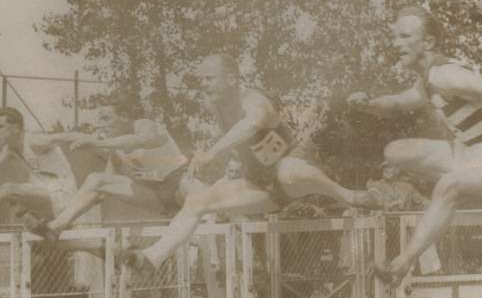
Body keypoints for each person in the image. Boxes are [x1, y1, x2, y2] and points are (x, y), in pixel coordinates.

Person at [118, 54, 379, 272]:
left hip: (295, 167)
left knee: (288, 170)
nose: (204, 85)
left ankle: (347, 195)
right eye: (200, 80)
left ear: (231, 79)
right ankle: (152, 256)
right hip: (262, 186)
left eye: (210, 78)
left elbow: (252, 123)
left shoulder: (253, 99)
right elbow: (243, 148)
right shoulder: (215, 108)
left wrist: (213, 151)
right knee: (198, 201)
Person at [347, 5, 482, 286]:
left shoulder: (445, 74)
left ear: (428, 43)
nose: (395, 44)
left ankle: (401, 264)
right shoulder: (427, 81)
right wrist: (367, 104)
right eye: (394, 37)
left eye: (404, 37)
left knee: (448, 186)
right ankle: (452, 197)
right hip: (472, 153)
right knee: (395, 152)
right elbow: (399, 103)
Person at [29, 107, 193, 239]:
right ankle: (57, 225)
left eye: (106, 118)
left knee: (203, 238)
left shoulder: (144, 125)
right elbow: (102, 191)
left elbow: (143, 141)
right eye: (99, 119)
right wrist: (67, 204)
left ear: (124, 117)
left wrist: (98, 143)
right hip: (158, 197)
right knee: (97, 179)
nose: (101, 124)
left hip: (182, 185)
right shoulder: (116, 150)